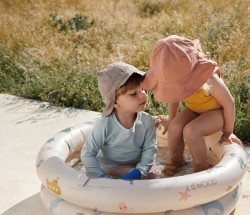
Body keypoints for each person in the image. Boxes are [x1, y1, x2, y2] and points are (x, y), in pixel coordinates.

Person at [141, 35, 243, 176]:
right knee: (175, 127)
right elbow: (174, 97)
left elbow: (228, 103)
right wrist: (171, 119)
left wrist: (228, 132)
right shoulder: (175, 78)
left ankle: (202, 167)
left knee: (191, 131)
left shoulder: (208, 76)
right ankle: (177, 160)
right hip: (194, 110)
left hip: (217, 112)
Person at [81, 62, 157, 179]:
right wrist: (100, 177)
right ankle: (112, 171)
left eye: (143, 89)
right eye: (133, 93)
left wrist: (142, 171)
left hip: (136, 163)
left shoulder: (146, 120)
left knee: (152, 176)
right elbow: (87, 153)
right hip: (109, 164)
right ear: (115, 102)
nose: (143, 96)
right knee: (133, 175)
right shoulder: (105, 125)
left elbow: (150, 148)